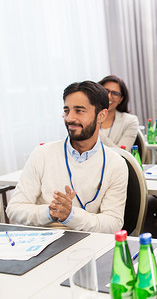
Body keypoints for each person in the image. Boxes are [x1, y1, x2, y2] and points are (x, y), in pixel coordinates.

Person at [6, 81, 128, 233]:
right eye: (66, 110)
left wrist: (71, 216)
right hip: (43, 243)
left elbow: (113, 223)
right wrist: (51, 212)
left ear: (101, 115)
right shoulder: (42, 154)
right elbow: (14, 209)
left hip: (89, 244)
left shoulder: (116, 164)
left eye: (79, 111)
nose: (70, 118)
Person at [98, 75, 139, 151]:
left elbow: (122, 153)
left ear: (121, 99)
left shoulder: (130, 121)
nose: (109, 96)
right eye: (105, 91)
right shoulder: (87, 117)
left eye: (115, 94)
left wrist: (95, 130)